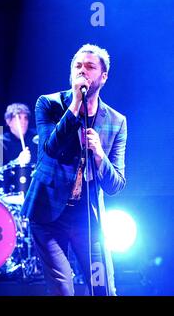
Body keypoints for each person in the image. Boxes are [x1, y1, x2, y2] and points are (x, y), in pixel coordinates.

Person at [23, 44, 127, 296]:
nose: (82, 71)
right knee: (63, 290)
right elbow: (49, 148)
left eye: (90, 67)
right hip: (48, 215)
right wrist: (74, 107)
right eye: (77, 66)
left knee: (103, 289)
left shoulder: (116, 121)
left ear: (103, 76)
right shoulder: (49, 104)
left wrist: (100, 155)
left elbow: (116, 185)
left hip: (87, 218)